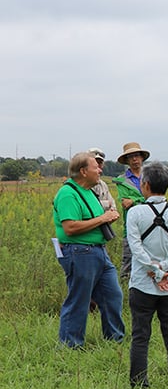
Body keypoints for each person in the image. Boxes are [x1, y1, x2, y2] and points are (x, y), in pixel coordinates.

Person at [126, 163, 168, 389]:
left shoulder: (134, 213)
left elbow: (136, 249)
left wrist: (156, 271)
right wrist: (166, 269)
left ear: (144, 185)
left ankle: (138, 382)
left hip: (142, 284)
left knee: (140, 335)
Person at [52, 151, 125, 347]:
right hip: (79, 252)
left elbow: (94, 219)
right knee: (79, 300)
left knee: (113, 295)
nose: (100, 170)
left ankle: (115, 340)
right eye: (96, 167)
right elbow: (70, 227)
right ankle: (70, 345)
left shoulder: (89, 191)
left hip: (98, 251)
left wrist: (107, 215)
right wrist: (102, 218)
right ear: (84, 171)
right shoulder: (68, 193)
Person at [113, 142, 150, 279]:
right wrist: (143, 199)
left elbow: (154, 197)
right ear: (127, 160)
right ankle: (125, 291)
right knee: (128, 261)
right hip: (131, 226)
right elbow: (125, 202)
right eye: (131, 157)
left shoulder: (150, 175)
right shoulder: (121, 181)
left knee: (150, 260)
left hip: (151, 223)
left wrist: (134, 200)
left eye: (137, 156)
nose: (135, 159)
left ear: (141, 158)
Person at [88, 148, 117, 213]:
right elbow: (86, 207)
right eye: (94, 162)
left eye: (100, 163)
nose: (97, 165)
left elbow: (113, 207)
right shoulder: (80, 184)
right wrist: (107, 204)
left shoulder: (103, 185)